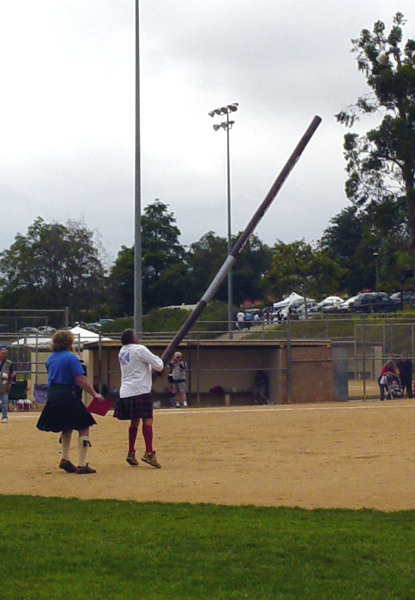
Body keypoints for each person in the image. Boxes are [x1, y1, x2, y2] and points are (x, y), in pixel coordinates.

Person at [36, 330, 104, 474]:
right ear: (70, 343)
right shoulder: (71, 358)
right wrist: (94, 394)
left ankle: (65, 458)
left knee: (67, 426)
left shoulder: (50, 358)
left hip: (53, 395)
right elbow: (81, 379)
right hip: (68, 394)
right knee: (84, 425)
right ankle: (82, 464)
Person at [114, 329, 164, 468]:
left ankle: (131, 452)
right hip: (141, 390)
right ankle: (149, 452)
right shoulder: (139, 349)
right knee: (147, 419)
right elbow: (159, 364)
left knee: (134, 421)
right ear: (133, 338)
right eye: (136, 335)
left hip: (126, 391)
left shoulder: (122, 352)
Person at [0, 346, 14, 423]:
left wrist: (9, 384)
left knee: (5, 402)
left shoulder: (9, 363)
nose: (4, 355)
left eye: (5, 353)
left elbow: (12, 374)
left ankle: (4, 416)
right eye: (3, 353)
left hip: (4, 384)